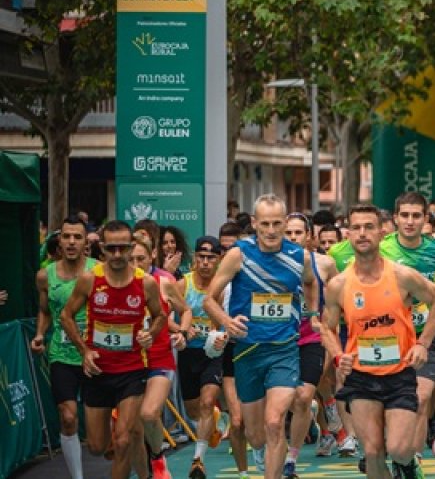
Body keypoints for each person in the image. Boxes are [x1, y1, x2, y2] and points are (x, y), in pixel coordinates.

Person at [318, 204, 435, 479]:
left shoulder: (402, 275)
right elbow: (326, 328)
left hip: (399, 373)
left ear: (381, 232)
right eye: (356, 228)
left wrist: (422, 343)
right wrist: (339, 356)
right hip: (361, 376)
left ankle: (408, 464)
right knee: (373, 452)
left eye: (369, 227)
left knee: (399, 449)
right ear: (348, 234)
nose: (362, 233)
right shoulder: (339, 285)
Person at [203, 195, 318, 479]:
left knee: (275, 421)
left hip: (284, 350)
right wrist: (227, 322)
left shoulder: (298, 256)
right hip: (247, 352)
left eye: (277, 223)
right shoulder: (238, 254)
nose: (271, 230)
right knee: (255, 434)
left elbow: (311, 282)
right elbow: (209, 299)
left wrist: (312, 314)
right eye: (264, 223)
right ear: (254, 223)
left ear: (285, 223)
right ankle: (261, 452)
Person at [60, 220, 168, 479]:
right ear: (102, 250)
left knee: (123, 441)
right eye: (111, 249)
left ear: (132, 248)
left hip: (132, 370)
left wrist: (149, 334)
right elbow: (66, 316)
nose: (117, 255)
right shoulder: (90, 280)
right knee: (97, 447)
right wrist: (85, 351)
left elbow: (160, 316)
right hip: (99, 370)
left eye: (123, 248)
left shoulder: (145, 283)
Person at [380, 193, 435, 474]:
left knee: (422, 397)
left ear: (426, 219)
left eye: (416, 216)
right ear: (396, 218)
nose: (410, 221)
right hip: (388, 336)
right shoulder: (382, 248)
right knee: (393, 403)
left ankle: (412, 459)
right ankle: (400, 454)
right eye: (405, 216)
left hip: (426, 334)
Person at [31, 217, 97, 479]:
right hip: (62, 353)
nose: (71, 242)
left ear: (85, 243)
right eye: (67, 236)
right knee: (68, 417)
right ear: (59, 240)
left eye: (77, 237)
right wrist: (39, 334)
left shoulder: (98, 270)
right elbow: (45, 311)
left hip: (95, 355)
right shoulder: (44, 275)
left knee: (97, 434)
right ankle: (77, 476)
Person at [129, 233, 192, 479]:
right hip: (128, 361)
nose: (136, 265)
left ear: (153, 255)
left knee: (148, 413)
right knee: (133, 431)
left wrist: (183, 333)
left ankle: (157, 457)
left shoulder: (164, 281)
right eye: (131, 259)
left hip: (159, 358)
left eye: (141, 258)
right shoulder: (117, 284)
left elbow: (185, 310)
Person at [283, 213, 340, 477]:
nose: (293, 238)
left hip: (312, 337)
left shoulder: (325, 264)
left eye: (298, 233)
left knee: (304, 396)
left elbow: (337, 300)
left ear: (309, 236)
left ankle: (291, 459)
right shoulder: (272, 263)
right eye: (289, 233)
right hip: (281, 338)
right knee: (286, 401)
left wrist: (329, 329)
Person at [177, 237, 225, 479]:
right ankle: (213, 420)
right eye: (201, 257)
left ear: (219, 260)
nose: (205, 263)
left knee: (207, 402)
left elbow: (230, 321)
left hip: (213, 353)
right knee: (194, 410)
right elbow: (164, 315)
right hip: (188, 352)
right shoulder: (182, 284)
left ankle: (198, 461)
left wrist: (222, 336)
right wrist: (181, 329)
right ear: (195, 259)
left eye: (211, 258)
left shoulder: (223, 287)